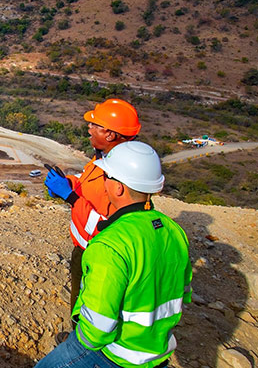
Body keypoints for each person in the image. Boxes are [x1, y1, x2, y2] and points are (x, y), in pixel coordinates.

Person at [35, 141, 191, 368]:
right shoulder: (173, 231)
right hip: (156, 351)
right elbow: (182, 294)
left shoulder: (109, 244)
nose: (103, 181)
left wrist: (82, 337)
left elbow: (96, 331)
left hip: (116, 354)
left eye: (106, 176)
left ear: (118, 188)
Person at [44, 98, 141, 324]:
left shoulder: (119, 173)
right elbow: (88, 182)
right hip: (87, 247)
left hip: (97, 251)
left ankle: (81, 346)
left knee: (91, 306)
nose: (88, 128)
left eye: (94, 125)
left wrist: (69, 196)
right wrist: (67, 183)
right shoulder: (105, 158)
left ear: (109, 134)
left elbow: (103, 227)